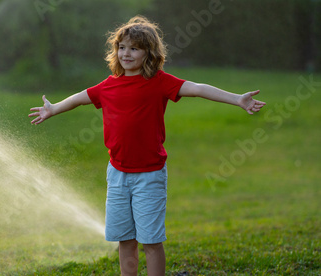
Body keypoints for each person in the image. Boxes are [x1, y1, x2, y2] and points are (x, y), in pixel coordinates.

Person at [28, 15, 266, 276]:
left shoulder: (159, 82)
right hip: (117, 175)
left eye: (134, 48)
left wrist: (237, 99)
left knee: (151, 241)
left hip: (149, 176)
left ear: (148, 53)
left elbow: (197, 88)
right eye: (121, 47)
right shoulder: (108, 86)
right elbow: (79, 98)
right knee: (125, 241)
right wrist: (53, 109)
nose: (126, 53)